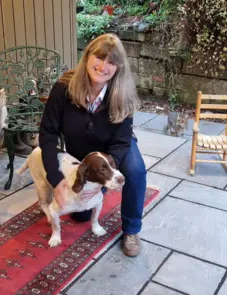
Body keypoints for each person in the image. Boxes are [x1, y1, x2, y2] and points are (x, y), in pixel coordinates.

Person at [39, 33, 146, 257]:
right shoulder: (63, 89)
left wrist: (105, 176)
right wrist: (55, 179)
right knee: (80, 214)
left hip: (115, 149)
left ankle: (132, 230)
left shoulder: (123, 94)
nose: (103, 66)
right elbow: (48, 135)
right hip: (81, 152)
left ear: (118, 67)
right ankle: (95, 192)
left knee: (135, 171)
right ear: (87, 56)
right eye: (99, 58)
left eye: (111, 62)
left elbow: (122, 140)